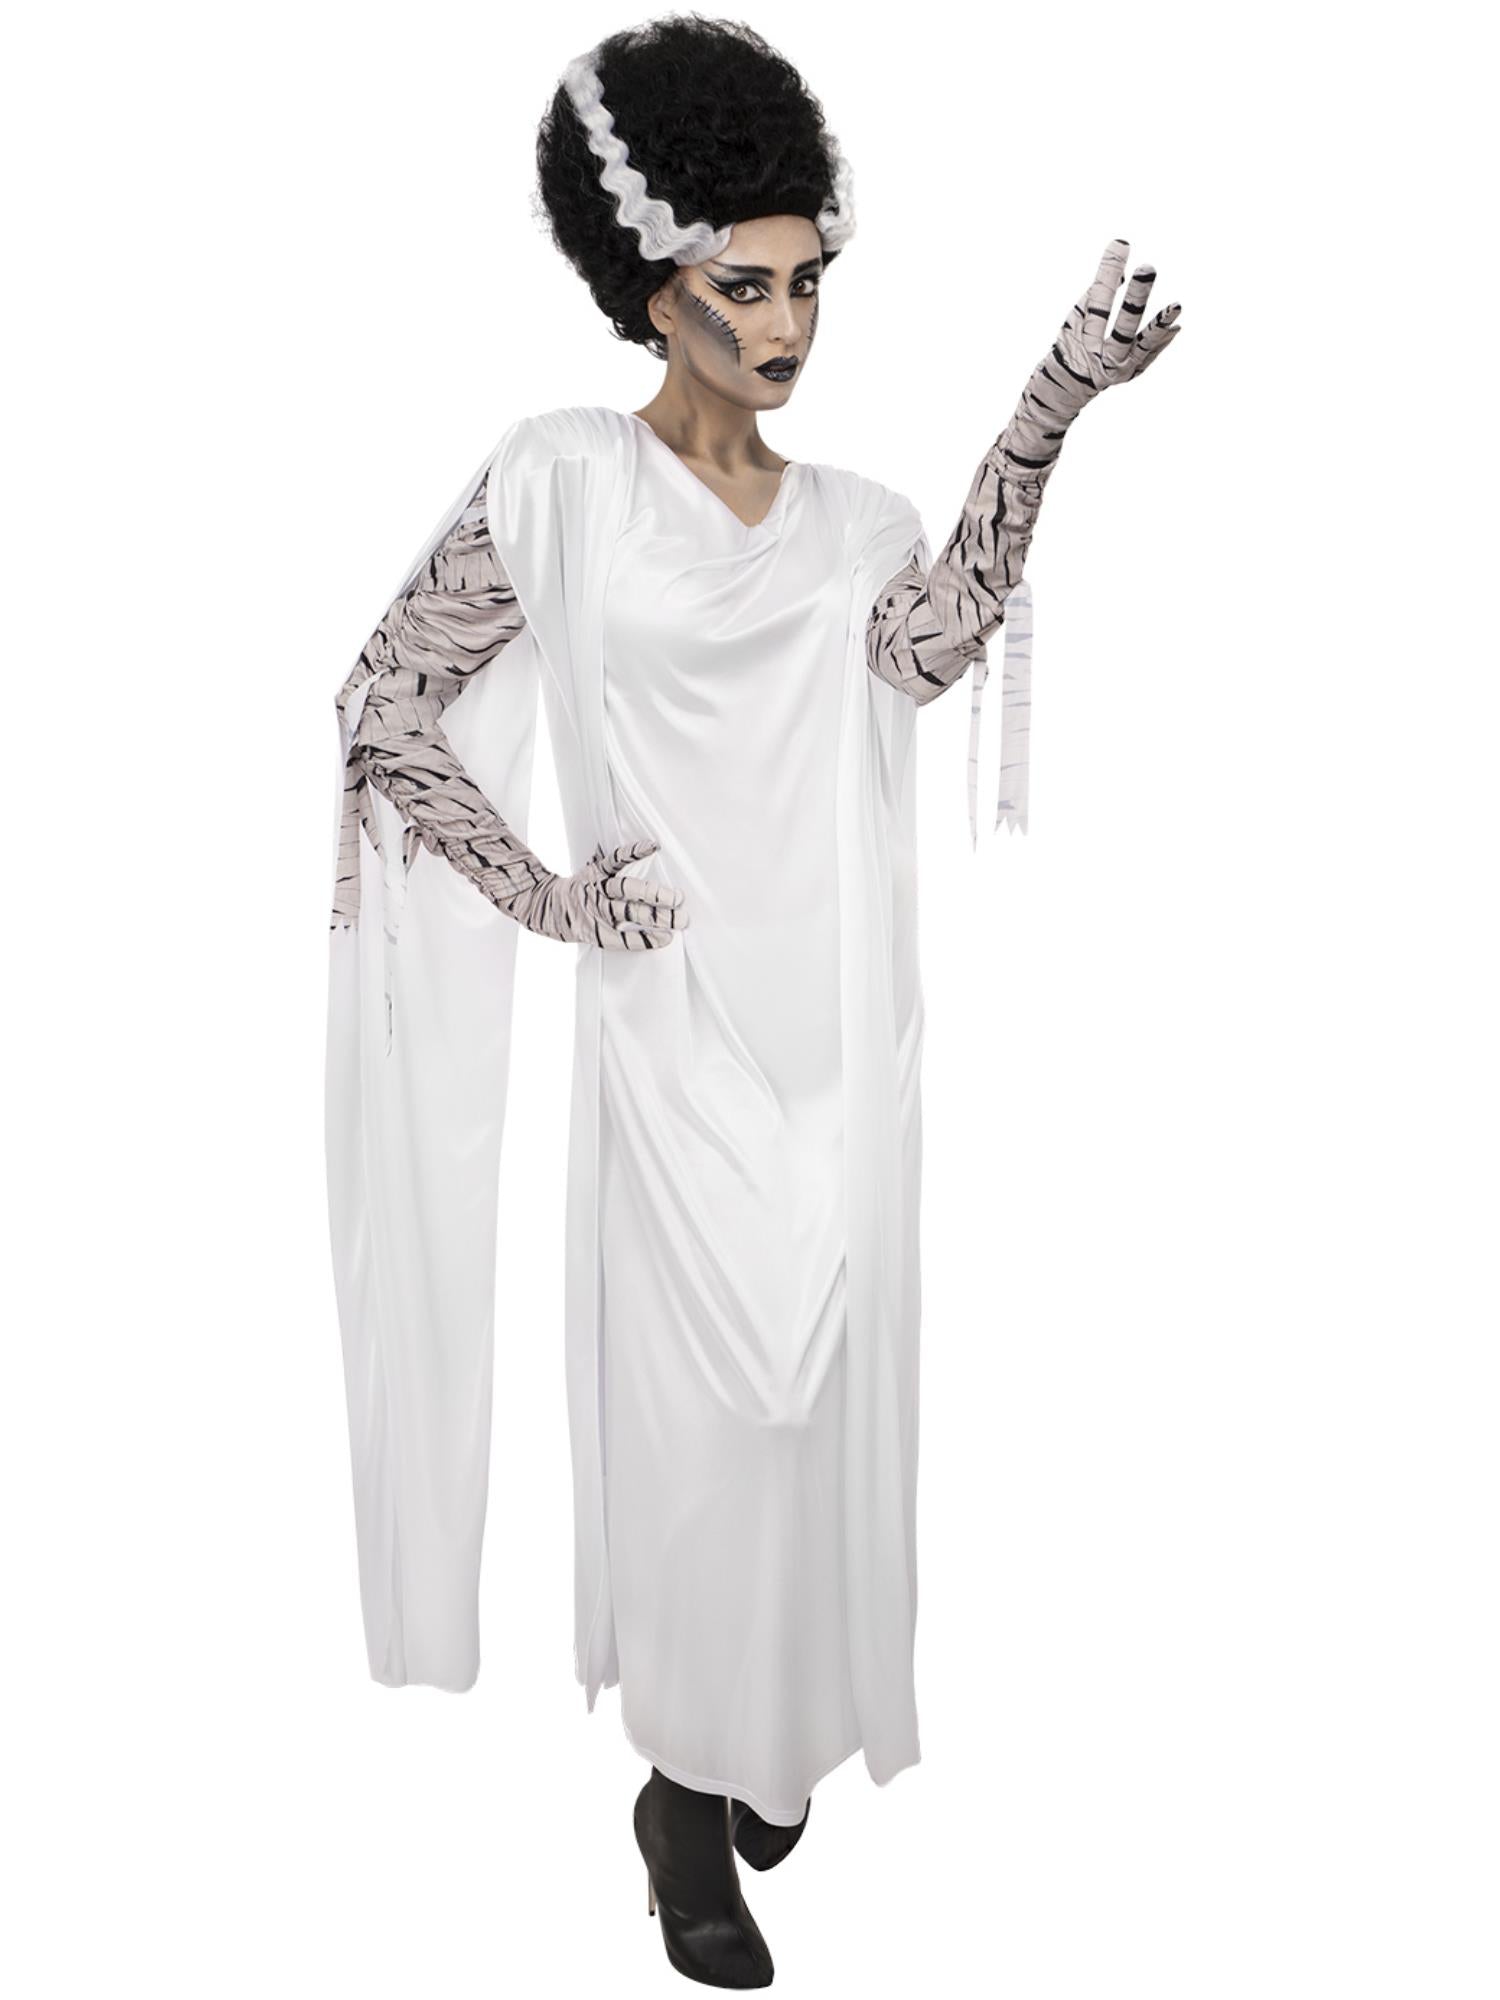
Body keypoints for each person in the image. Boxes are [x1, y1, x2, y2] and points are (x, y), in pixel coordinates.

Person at [325, 15, 1181, 1987]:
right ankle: (682, 1800)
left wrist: (1055, 404)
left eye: (808, 282)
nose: (788, 321)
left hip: (837, 1044)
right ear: (655, 285)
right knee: (708, 1422)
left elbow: (936, 642)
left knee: (813, 1415)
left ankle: (765, 1724)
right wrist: (550, 899)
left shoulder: (857, 520)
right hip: (669, 1041)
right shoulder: (561, 479)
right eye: (746, 285)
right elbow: (383, 700)